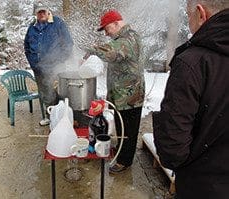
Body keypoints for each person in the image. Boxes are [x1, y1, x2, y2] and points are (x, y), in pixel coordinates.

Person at [153, 1, 229, 198]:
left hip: (203, 187)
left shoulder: (192, 63)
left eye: (188, 16)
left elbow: (172, 149)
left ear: (200, 13)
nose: (188, 22)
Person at [84, 10, 145, 173]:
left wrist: (91, 48)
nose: (106, 33)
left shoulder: (129, 39)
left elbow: (112, 51)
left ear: (117, 23)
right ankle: (121, 151)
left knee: (129, 130)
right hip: (121, 94)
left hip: (130, 96)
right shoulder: (122, 38)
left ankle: (125, 161)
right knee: (122, 126)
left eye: (107, 28)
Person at [24, 1, 73, 126]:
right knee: (45, 94)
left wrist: (60, 62)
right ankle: (50, 117)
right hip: (39, 68)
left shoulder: (58, 24)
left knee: (59, 93)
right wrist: (33, 63)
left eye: (43, 11)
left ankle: (63, 118)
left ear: (48, 11)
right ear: (35, 14)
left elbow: (68, 44)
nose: (41, 14)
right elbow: (27, 47)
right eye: (38, 12)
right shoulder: (32, 27)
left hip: (55, 68)